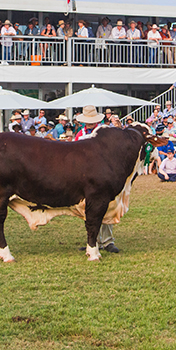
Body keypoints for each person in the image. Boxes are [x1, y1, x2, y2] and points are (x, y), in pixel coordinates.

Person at [72, 104, 120, 252]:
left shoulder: (105, 132)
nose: (91, 123)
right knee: (90, 209)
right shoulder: (80, 134)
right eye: (88, 120)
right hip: (86, 175)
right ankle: (93, 240)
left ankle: (107, 241)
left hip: (103, 174)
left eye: (92, 120)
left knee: (106, 206)